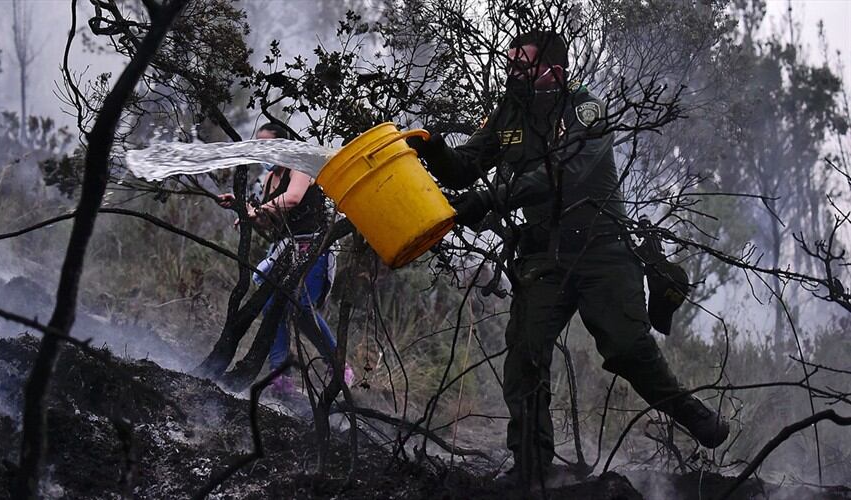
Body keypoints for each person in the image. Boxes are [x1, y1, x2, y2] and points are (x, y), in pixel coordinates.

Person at [407, 31, 728, 488]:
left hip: (603, 254)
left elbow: (564, 172)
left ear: (553, 71)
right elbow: (466, 165)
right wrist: (433, 148)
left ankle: (696, 418)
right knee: (525, 354)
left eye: (524, 64)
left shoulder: (585, 110)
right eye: (510, 62)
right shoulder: (509, 111)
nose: (512, 71)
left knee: (627, 349)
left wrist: (491, 198)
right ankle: (532, 469)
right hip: (545, 256)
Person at [218, 123, 354, 396]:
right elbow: (270, 224)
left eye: (268, 144)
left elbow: (292, 199)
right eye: (260, 144)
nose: (264, 150)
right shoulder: (269, 181)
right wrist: (243, 209)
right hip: (285, 249)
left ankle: (338, 365)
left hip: (315, 248)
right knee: (272, 305)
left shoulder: (300, 166)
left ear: (283, 144)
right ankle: (281, 376)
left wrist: (255, 209)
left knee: (302, 307)